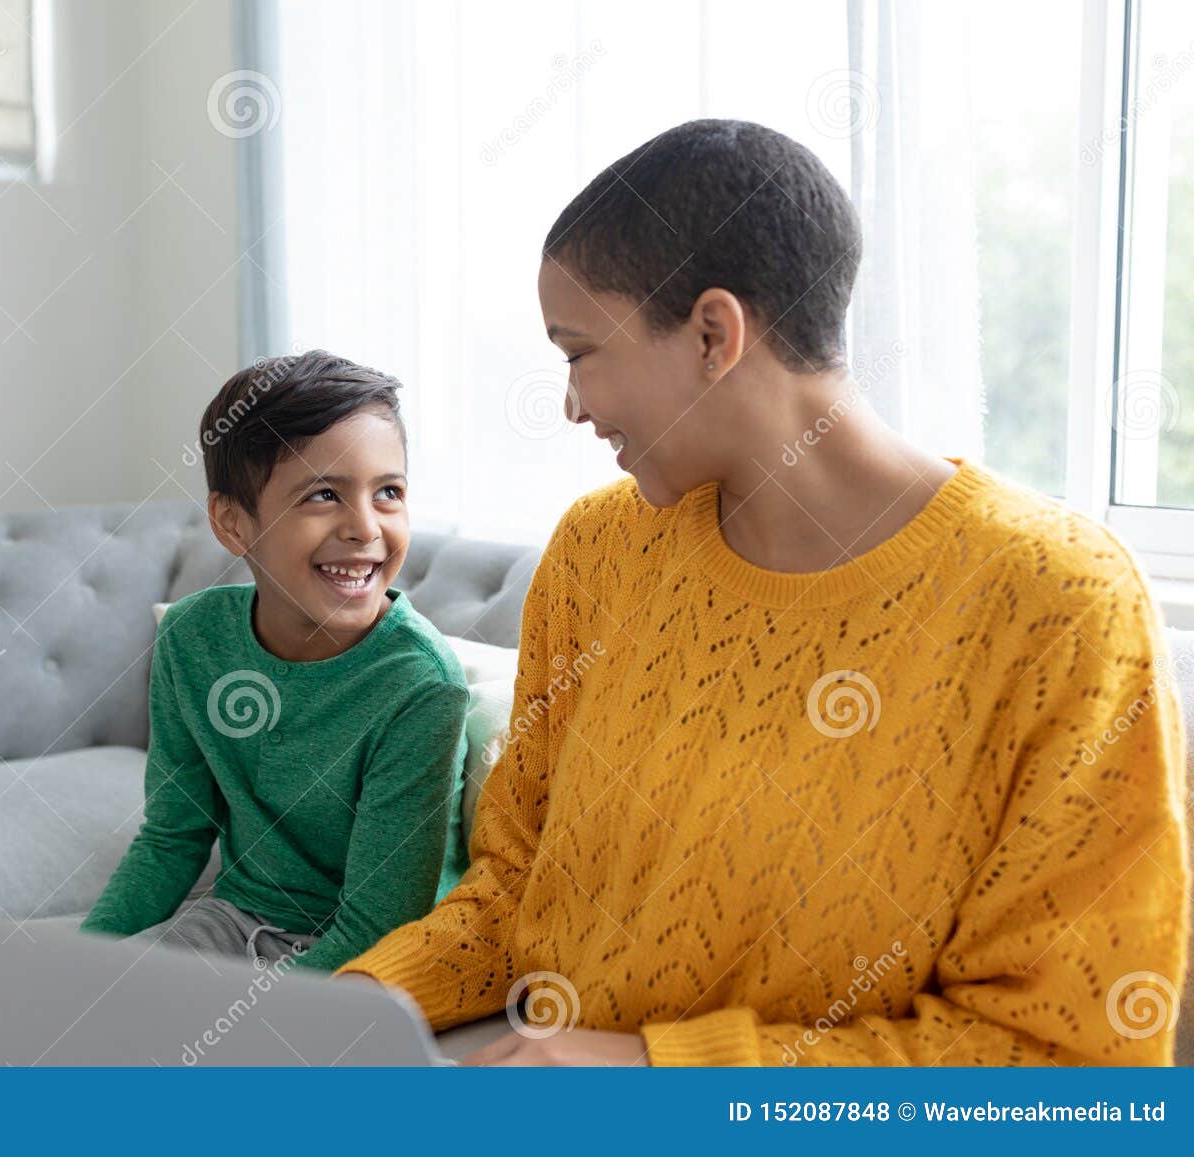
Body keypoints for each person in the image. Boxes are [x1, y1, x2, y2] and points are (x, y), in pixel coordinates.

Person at [336, 119, 1188, 1066]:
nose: (572, 402)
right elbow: (515, 888)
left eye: (578, 352)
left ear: (712, 334)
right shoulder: (598, 552)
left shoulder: (1058, 603)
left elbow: (1065, 1062)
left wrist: (656, 1069)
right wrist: (353, 1008)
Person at [81, 351, 470, 971]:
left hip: (375, 954)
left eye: (388, 492)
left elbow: (380, 922)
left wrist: (248, 1012)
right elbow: (173, 837)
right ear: (234, 524)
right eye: (323, 495)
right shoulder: (192, 639)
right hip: (233, 918)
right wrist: (75, 964)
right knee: (73, 1016)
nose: (366, 528)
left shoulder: (420, 684)